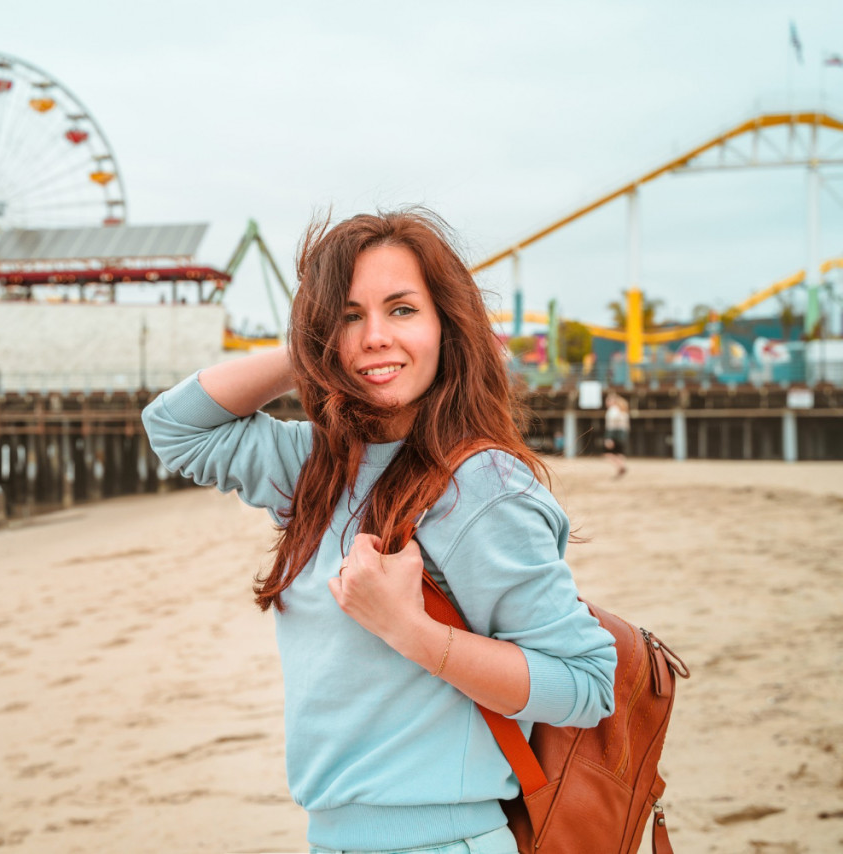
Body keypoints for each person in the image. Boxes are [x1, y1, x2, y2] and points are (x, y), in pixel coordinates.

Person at [143, 210, 616, 854]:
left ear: (446, 327)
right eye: (347, 315)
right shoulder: (314, 467)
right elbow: (176, 427)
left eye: (401, 310)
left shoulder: (483, 488)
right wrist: (311, 349)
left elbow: (585, 684)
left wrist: (410, 631)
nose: (373, 337)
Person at [603, 392, 630, 478]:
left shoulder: (612, 411)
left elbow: (611, 425)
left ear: (612, 401)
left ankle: (621, 467)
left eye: (608, 400)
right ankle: (621, 468)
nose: (606, 402)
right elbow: (626, 426)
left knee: (607, 454)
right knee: (619, 453)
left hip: (614, 434)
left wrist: (609, 438)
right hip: (622, 433)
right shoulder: (622, 410)